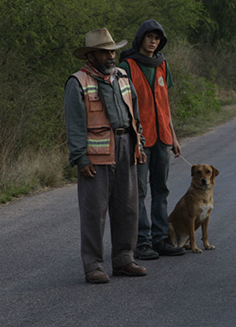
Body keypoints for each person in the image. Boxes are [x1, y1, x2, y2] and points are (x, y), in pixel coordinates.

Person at [64, 27, 148, 284]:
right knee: (94, 212)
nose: (110, 56)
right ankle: (93, 265)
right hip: (96, 156)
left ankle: (124, 259)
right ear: (91, 56)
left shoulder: (122, 76)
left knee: (128, 208)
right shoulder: (77, 81)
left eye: (112, 51)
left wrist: (140, 144)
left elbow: (135, 113)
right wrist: (80, 158)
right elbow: (74, 124)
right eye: (104, 52)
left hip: (126, 147)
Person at [118, 20, 185, 260]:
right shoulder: (127, 65)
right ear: (140, 39)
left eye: (157, 38)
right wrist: (131, 139)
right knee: (139, 192)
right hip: (140, 140)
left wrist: (174, 138)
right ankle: (142, 242)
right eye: (149, 37)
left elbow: (165, 105)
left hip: (163, 139)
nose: (153, 41)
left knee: (161, 189)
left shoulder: (162, 64)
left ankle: (161, 239)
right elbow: (122, 107)